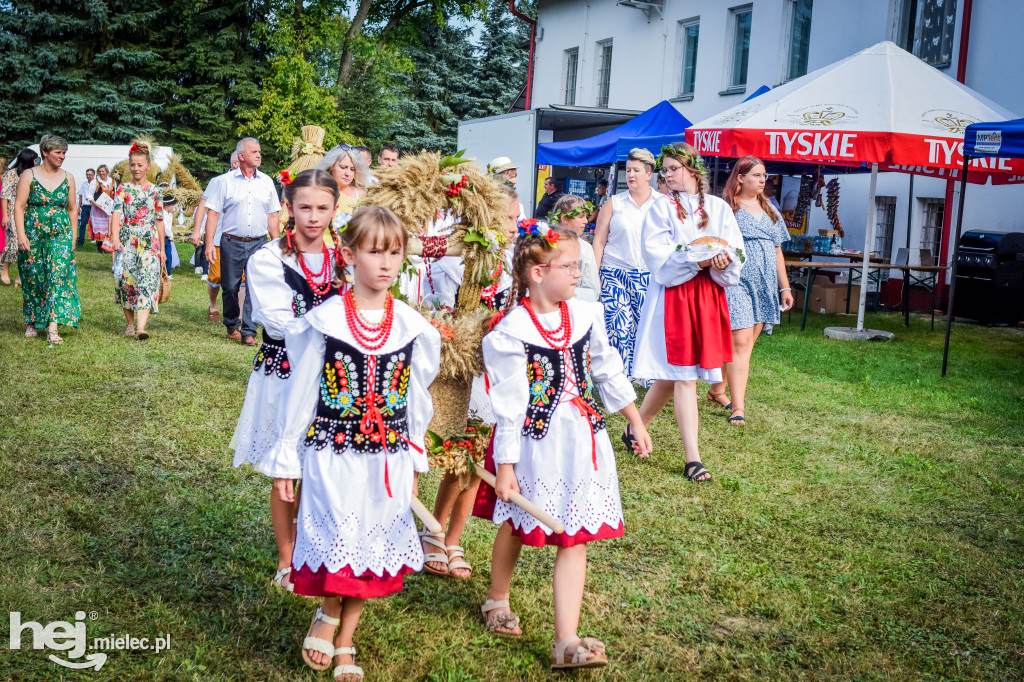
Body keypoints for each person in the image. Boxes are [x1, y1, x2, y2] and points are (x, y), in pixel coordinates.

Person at [269, 206, 441, 680]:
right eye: (374, 252)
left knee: (373, 537)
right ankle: (328, 613)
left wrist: (415, 454)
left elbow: (415, 398)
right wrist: (288, 458)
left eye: (395, 253)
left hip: (387, 455)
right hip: (332, 452)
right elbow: (301, 392)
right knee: (340, 534)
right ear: (348, 255)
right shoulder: (324, 323)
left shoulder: (412, 327)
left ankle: (345, 637)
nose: (386, 264)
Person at [471, 223, 651, 670]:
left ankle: (566, 640)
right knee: (517, 521)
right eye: (569, 266)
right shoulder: (511, 332)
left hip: (583, 436)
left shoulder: (586, 313)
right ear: (536, 272)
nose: (577, 273)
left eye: (577, 265)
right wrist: (506, 467)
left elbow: (607, 369)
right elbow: (510, 405)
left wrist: (634, 419)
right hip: (535, 442)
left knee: (576, 535)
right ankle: (497, 598)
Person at [232, 169, 342, 594]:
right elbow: (278, 324)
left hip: (337, 377)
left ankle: (321, 550)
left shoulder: (345, 257)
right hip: (287, 372)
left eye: (323, 208)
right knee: (288, 466)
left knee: (326, 465)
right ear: (289, 207)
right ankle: (287, 557)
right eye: (305, 207)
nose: (314, 217)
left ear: (335, 209)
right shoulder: (268, 259)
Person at [417, 184, 520, 581]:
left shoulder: (509, 255)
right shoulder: (454, 253)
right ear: (488, 216)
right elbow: (448, 305)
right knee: (461, 454)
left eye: (516, 218)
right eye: (508, 218)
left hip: (499, 364)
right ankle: (434, 530)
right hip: (466, 362)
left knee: (479, 456)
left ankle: (454, 537)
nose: (514, 226)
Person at [630, 143, 744, 483]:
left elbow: (735, 248)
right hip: (676, 296)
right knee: (684, 375)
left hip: (707, 294)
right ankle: (693, 459)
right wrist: (699, 260)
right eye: (664, 170)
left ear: (692, 169)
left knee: (676, 373)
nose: (667, 175)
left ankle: (635, 426)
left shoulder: (720, 208)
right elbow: (658, 257)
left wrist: (723, 261)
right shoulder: (661, 208)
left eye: (673, 168)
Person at [706, 157, 793, 425]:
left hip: (765, 283)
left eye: (764, 175)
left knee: (745, 345)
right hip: (736, 281)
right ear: (740, 178)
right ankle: (738, 409)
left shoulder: (771, 210)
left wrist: (785, 286)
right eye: (756, 175)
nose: (762, 180)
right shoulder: (727, 209)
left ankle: (717, 390)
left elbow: (778, 250)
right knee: (740, 343)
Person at [204, 138, 281, 345]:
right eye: (254, 151)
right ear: (241, 156)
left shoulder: (266, 182)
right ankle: (231, 324)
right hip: (231, 242)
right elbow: (212, 214)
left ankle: (248, 331)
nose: (259, 155)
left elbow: (273, 215)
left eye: (259, 151)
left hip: (259, 242)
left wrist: (277, 245)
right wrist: (209, 243)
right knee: (230, 286)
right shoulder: (225, 182)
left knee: (253, 287)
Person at [592, 148, 660, 381]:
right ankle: (620, 376)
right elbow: (599, 241)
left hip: (648, 275)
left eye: (636, 170)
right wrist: (596, 275)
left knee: (645, 326)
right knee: (619, 327)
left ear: (649, 174)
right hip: (614, 271)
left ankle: (645, 374)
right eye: (628, 170)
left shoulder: (662, 204)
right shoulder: (614, 203)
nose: (631, 175)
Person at [13, 134, 81, 344]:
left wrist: (74, 236)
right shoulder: (29, 175)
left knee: (58, 277)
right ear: (45, 152)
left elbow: (71, 209)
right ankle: (32, 320)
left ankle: (53, 327)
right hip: (33, 234)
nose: (62, 157)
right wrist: (22, 235)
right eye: (58, 153)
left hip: (60, 234)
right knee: (33, 277)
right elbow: (19, 206)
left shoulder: (68, 177)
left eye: (64, 153)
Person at [110, 141, 166, 341]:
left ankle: (141, 327)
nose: (136, 168)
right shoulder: (122, 189)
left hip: (149, 241)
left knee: (148, 280)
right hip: (128, 239)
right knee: (127, 282)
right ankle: (130, 324)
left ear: (148, 166)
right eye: (132, 164)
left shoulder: (156, 191)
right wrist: (116, 239)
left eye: (140, 165)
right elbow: (116, 214)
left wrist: (162, 250)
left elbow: (160, 221)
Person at [191, 151, 239, 322]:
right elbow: (202, 207)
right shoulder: (218, 181)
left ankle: (238, 313)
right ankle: (213, 304)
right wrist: (197, 231)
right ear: (235, 163)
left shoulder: (255, 182)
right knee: (216, 275)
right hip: (219, 236)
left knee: (241, 277)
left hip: (242, 239)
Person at [549, 195, 599, 302]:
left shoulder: (586, 248)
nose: (586, 221)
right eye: (581, 217)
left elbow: (592, 287)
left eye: (586, 217)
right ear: (564, 219)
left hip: (575, 306)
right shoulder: (546, 243)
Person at [2, 148, 38, 286]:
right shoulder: (11, 174)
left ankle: (20, 276)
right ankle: (4, 269)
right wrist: (5, 215)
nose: (36, 162)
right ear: (28, 159)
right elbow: (4, 195)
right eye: (35, 160)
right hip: (13, 211)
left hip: (29, 213)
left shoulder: (32, 174)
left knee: (27, 245)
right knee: (14, 243)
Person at [317, 144, 369, 230]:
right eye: (343, 167)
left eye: (352, 169)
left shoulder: (360, 195)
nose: (347, 173)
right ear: (331, 166)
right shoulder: (320, 191)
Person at [89, 164, 116, 253]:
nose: (101, 173)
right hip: (98, 209)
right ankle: (100, 247)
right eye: (100, 171)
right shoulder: (95, 182)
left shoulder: (112, 181)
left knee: (108, 227)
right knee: (100, 228)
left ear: (107, 172)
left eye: (103, 171)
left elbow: (115, 194)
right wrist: (96, 204)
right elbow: (89, 196)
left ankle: (107, 246)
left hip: (109, 208)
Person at [75, 168, 96, 248]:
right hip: (85, 207)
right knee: (83, 224)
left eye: (90, 174)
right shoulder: (84, 184)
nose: (88, 176)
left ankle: (98, 241)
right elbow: (80, 196)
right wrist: (78, 208)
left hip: (94, 206)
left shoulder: (96, 184)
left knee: (95, 225)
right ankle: (80, 241)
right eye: (87, 174)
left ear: (93, 175)